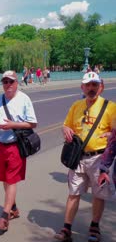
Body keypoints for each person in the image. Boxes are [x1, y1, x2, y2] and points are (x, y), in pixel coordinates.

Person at [54, 72, 115, 242]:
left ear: (100, 87)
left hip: (99, 158)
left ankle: (94, 227)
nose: (91, 88)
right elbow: (67, 125)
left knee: (98, 194)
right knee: (73, 192)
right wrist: (65, 129)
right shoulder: (76, 105)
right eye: (88, 85)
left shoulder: (110, 107)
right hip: (78, 157)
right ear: (82, 87)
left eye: (94, 85)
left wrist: (111, 134)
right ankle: (66, 228)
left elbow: (115, 130)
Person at [0, 70, 37, 231]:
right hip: (0, 145)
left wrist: (12, 125)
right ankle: (13, 208)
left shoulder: (24, 99)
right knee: (4, 178)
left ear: (16, 83)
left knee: (11, 179)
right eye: (5, 82)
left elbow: (32, 124)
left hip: (16, 145)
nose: (8, 85)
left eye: (11, 82)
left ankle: (4, 216)